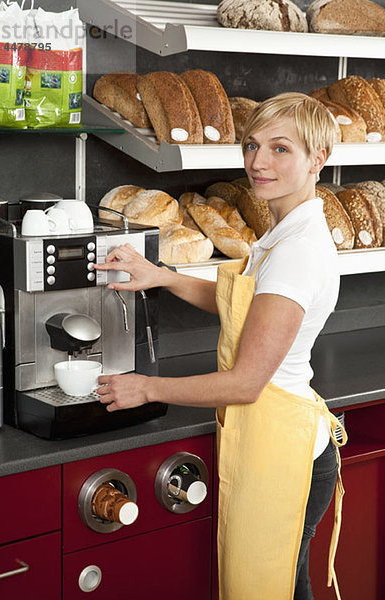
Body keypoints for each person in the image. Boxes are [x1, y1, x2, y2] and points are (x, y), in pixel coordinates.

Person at [94, 92, 347, 600]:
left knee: (266, 588)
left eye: (281, 149)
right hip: (277, 435)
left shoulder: (296, 252)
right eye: (252, 145)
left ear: (318, 158)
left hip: (283, 445)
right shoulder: (283, 232)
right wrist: (161, 276)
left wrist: (146, 388)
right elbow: (242, 305)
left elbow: (246, 383)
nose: (257, 161)